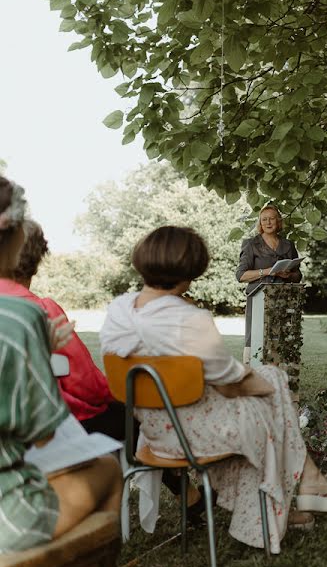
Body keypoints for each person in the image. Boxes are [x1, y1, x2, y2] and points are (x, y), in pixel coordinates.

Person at [101, 225, 327, 554]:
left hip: (153, 431)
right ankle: (303, 485)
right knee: (272, 385)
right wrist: (273, 387)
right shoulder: (188, 320)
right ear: (191, 270)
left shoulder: (118, 311)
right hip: (193, 434)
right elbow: (235, 385)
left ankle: (301, 487)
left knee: (269, 383)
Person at [4, 220, 201, 515]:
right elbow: (86, 384)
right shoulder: (42, 310)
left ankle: (190, 498)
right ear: (36, 258)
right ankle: (190, 498)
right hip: (57, 428)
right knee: (142, 417)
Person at [0, 177, 122, 554]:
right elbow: (42, 436)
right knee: (109, 468)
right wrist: (37, 351)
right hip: (7, 513)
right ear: (18, 236)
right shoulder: (20, 316)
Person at [236, 205, 302, 362]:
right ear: (260, 223)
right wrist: (267, 271)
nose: (268, 222)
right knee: (256, 338)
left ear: (278, 221)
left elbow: (298, 275)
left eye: (272, 218)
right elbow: (240, 275)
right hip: (258, 298)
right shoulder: (251, 244)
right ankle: (253, 374)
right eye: (264, 219)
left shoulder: (288, 245)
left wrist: (289, 274)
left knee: (281, 338)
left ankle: (278, 376)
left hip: (283, 298)